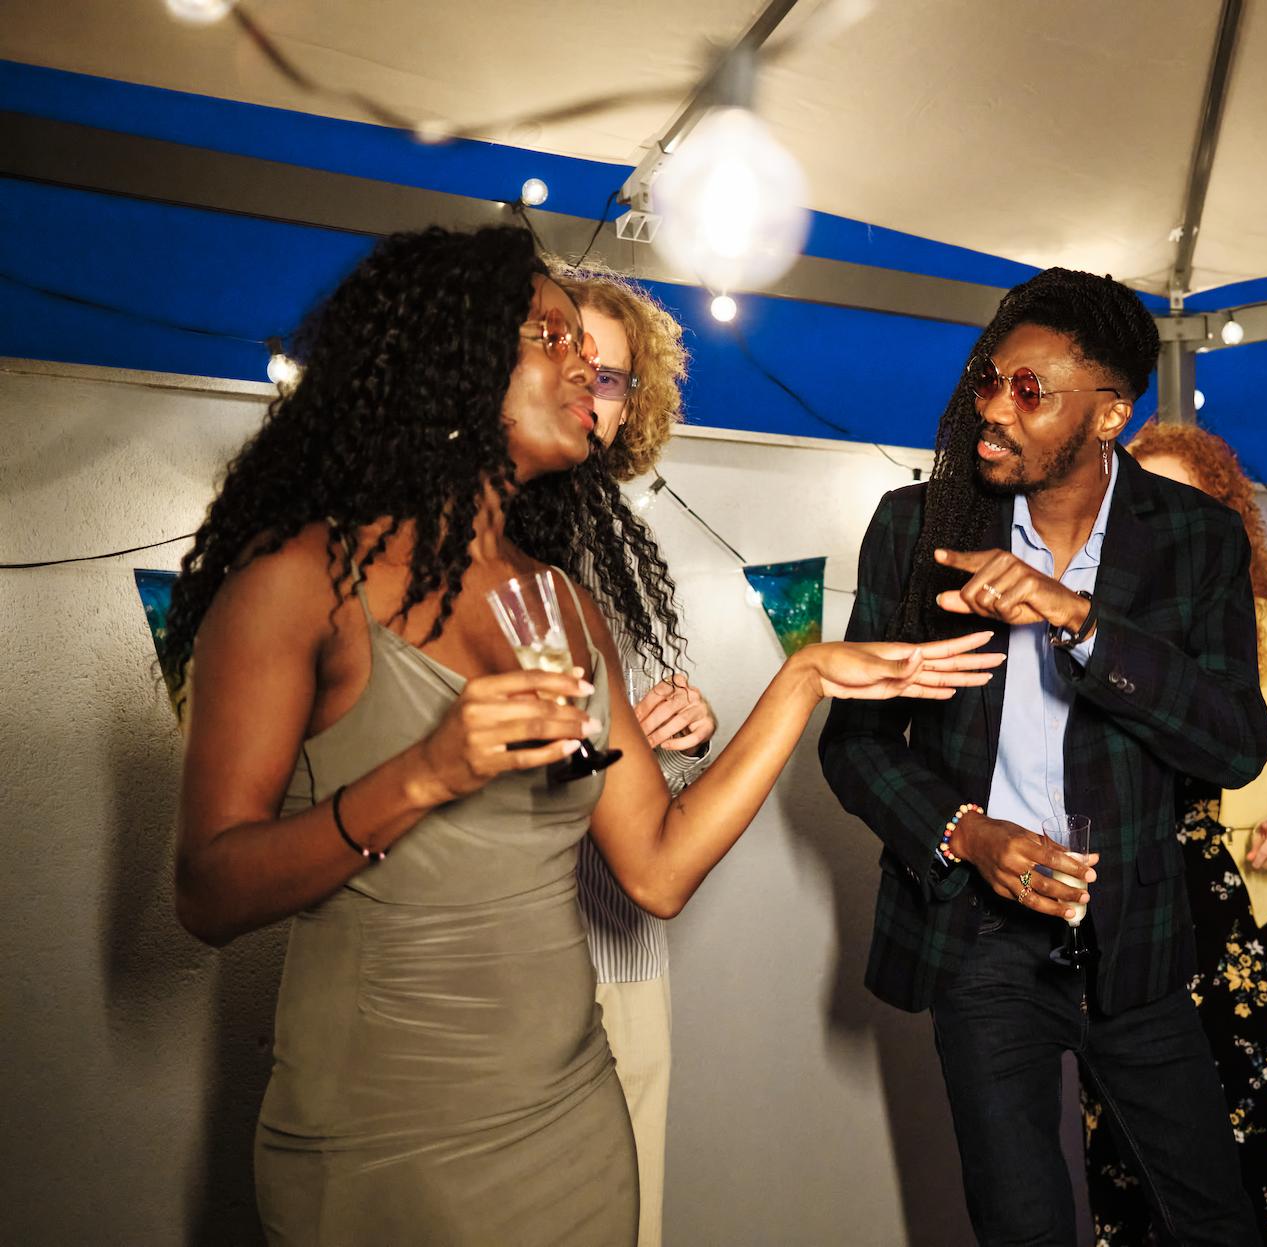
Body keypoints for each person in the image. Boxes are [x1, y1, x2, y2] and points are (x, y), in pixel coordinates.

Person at [163, 224, 1001, 1246]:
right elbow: (208, 891)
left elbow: (654, 868)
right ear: (452, 357)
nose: (588, 369)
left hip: (572, 1125)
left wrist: (804, 675)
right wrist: (421, 772)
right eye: (549, 337)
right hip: (381, 1138)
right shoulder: (296, 584)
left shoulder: (560, 600)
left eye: (591, 353)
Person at [820, 268, 1267, 1246]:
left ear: (1108, 411)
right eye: (988, 377)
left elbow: (1235, 744)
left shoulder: (1193, 538)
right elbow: (853, 741)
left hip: (1137, 932)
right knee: (1022, 1223)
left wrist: (1078, 622)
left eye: (1029, 390)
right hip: (980, 938)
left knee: (1215, 1220)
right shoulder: (917, 526)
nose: (991, 406)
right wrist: (964, 830)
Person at [1083, 419, 1267, 1245]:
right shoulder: (1095, 632)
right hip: (1123, 905)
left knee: (1250, 1137)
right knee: (1130, 1143)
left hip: (1234, 915)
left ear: (1224, 514)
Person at [554, 259, 712, 1247]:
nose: (587, 385)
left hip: (621, 947)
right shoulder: (459, 545)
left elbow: (652, 784)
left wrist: (684, 732)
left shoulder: (623, 552)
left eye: (610, 374)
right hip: (493, 956)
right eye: (566, 351)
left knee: (631, 1211)